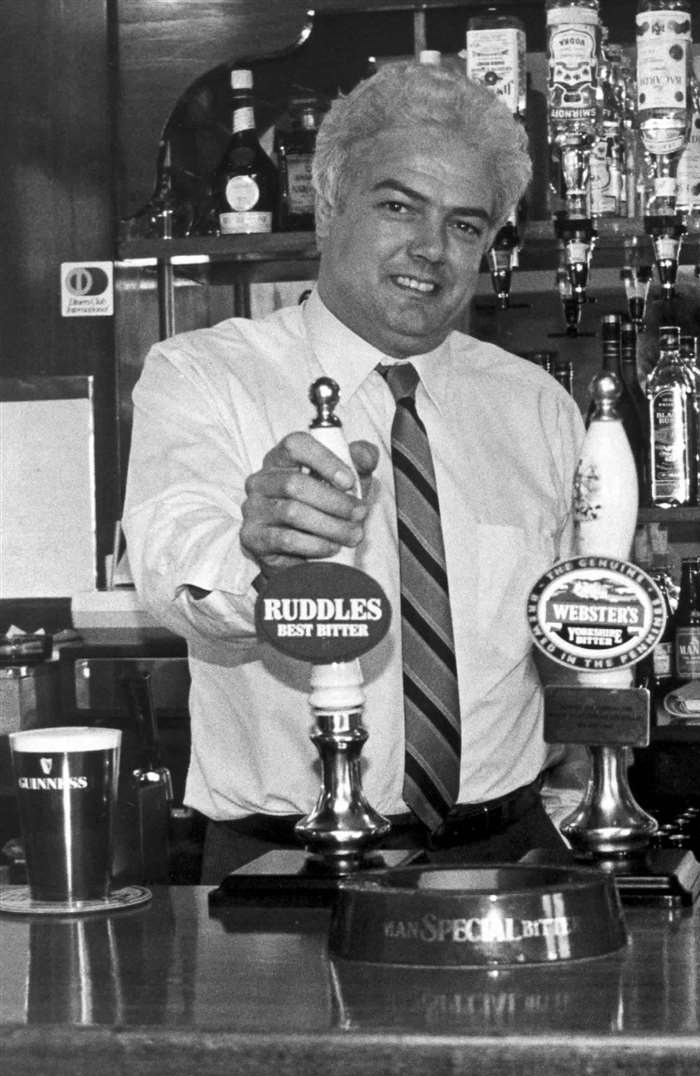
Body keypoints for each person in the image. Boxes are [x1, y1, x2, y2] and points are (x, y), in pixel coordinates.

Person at [123, 61, 585, 882]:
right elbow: (171, 564)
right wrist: (263, 558)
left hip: (506, 851)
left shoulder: (536, 406)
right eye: (398, 206)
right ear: (330, 205)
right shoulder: (202, 374)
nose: (430, 250)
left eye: (466, 226)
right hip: (285, 862)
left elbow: (567, 625)